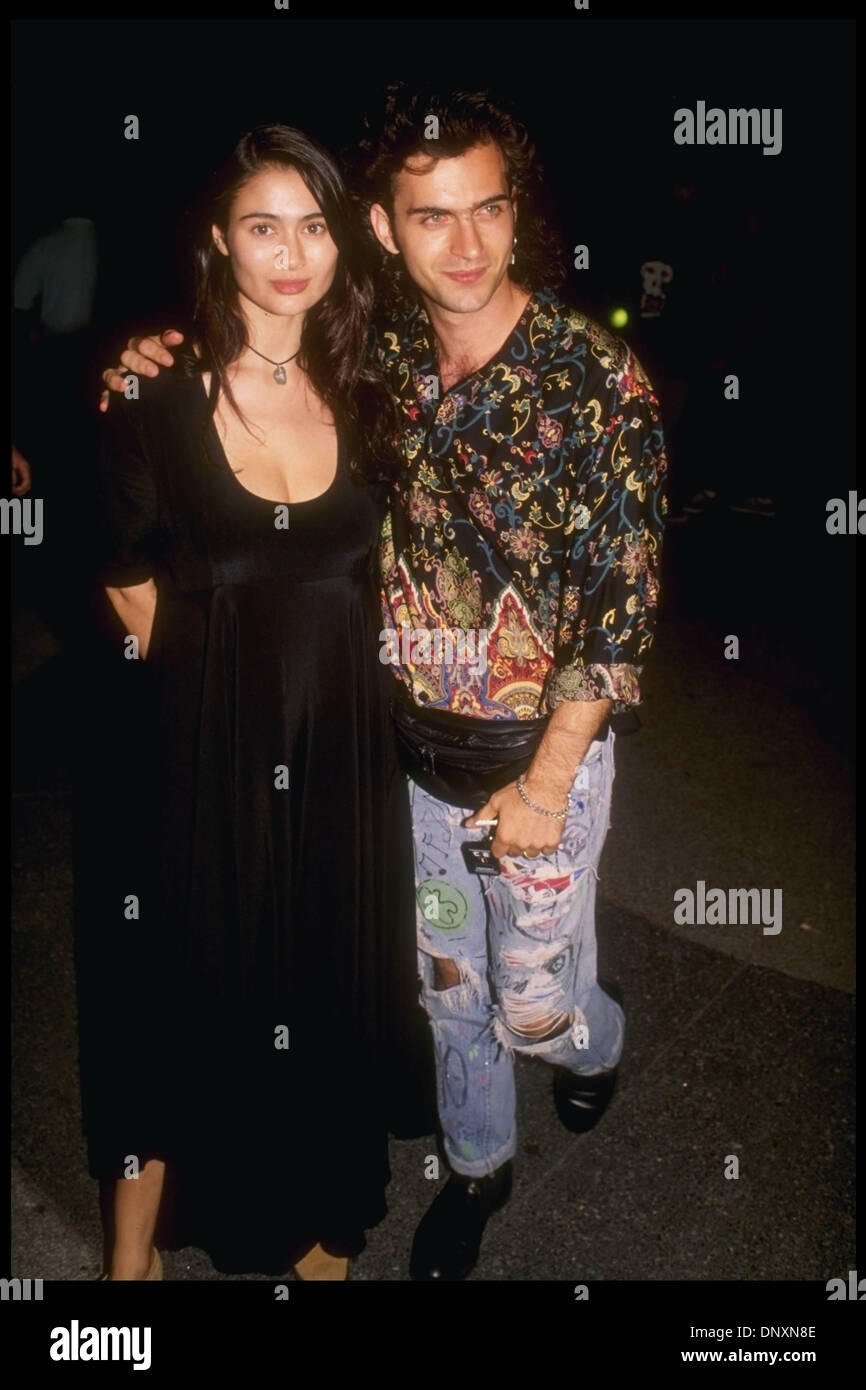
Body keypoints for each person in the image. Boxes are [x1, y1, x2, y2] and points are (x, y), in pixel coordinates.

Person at [101, 85, 667, 1281]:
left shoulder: (593, 377)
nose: (461, 245)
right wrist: (146, 352)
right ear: (385, 228)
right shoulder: (382, 360)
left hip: (533, 763)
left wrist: (542, 781)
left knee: (529, 1005)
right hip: (402, 757)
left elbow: (619, 612)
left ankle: (589, 1035)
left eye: (486, 211)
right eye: (429, 217)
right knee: (448, 990)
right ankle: (473, 1170)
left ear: (519, 217)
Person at [83, 124, 430, 1282]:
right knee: (172, 1001)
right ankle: (128, 1265)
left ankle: (315, 1240)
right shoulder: (157, 396)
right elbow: (125, 580)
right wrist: (214, 715)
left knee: (318, 994)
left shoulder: (373, 388)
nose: (291, 252)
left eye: (312, 223)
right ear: (220, 243)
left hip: (344, 762)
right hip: (200, 760)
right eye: (262, 225)